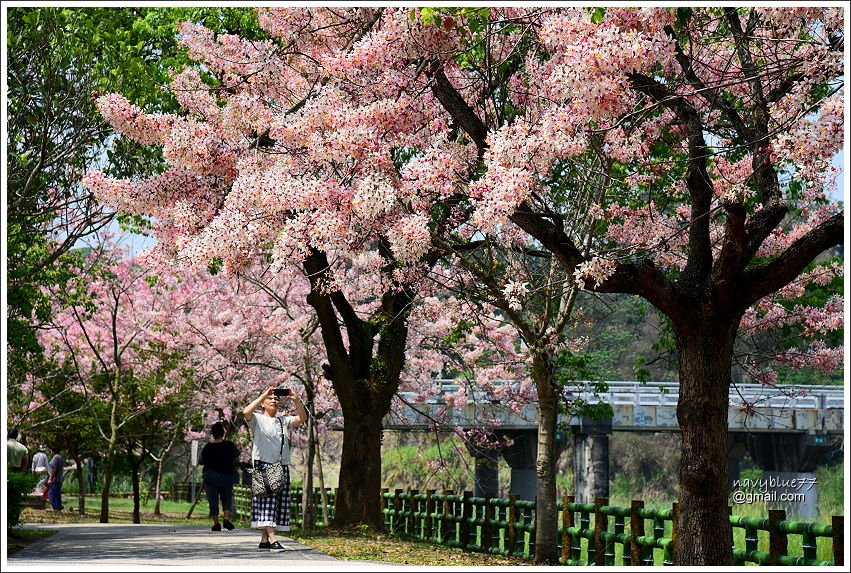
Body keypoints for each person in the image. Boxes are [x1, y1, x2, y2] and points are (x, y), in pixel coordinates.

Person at [243, 387, 306, 552]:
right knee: (267, 502)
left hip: (281, 464)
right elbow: (246, 411)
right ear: (263, 403)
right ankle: (272, 539)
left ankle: (264, 539)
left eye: (276, 398)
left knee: (276, 503)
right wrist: (262, 394)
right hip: (264, 464)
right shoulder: (257, 419)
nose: (273, 400)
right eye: (270, 398)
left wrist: (296, 399)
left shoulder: (283, 420)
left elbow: (302, 418)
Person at [199, 422, 240, 532]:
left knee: (213, 500)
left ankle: (216, 523)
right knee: (227, 498)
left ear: (212, 434)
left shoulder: (208, 447)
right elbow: (237, 458)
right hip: (226, 477)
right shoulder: (229, 445)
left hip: (210, 478)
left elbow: (201, 461)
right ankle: (226, 519)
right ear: (223, 433)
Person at [47, 446, 65, 511]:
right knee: (57, 494)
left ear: (53, 451)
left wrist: (50, 478)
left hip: (55, 479)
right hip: (60, 479)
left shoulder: (55, 458)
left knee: (51, 494)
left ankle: (55, 507)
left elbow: (54, 469)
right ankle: (59, 507)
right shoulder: (61, 458)